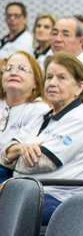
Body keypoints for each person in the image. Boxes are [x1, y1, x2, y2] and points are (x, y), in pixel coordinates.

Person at [0, 52, 83, 224]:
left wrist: (14, 154)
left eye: (61, 78)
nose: (53, 83)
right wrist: (21, 149)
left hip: (56, 198)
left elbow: (42, 163)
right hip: (27, 189)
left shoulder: (80, 118)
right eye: (50, 77)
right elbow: (5, 154)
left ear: (79, 87)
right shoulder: (45, 115)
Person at [0, 51, 50, 181]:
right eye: (8, 68)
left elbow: (16, 153)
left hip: (10, 175)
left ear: (36, 82)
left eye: (22, 69)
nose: (13, 73)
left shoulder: (40, 110)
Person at [51, 16, 83, 96]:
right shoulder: (51, 64)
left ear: (81, 41)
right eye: (54, 33)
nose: (58, 39)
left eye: (65, 35)